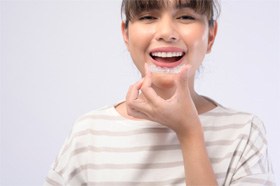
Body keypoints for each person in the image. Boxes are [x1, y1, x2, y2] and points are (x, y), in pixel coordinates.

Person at [44, 0, 275, 185]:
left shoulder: (244, 132)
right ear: (126, 34)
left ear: (211, 36)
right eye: (148, 17)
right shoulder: (89, 132)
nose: (167, 32)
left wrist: (189, 132)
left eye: (186, 16)